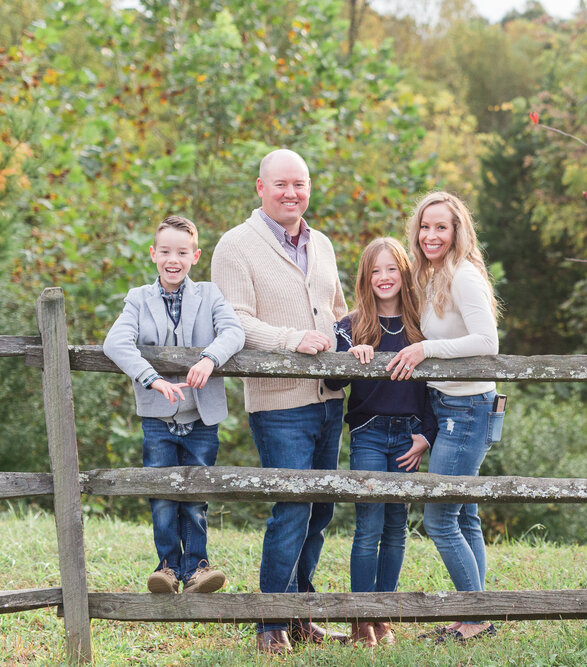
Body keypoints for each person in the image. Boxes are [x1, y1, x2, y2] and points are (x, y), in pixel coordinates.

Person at [211, 149, 350, 654]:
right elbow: (235, 321)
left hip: (327, 400)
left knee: (321, 508)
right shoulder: (235, 247)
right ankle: (270, 623)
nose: (292, 193)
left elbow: (336, 314)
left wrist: (356, 338)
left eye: (301, 184)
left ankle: (300, 615)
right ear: (260, 187)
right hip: (278, 403)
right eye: (281, 185)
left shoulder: (323, 244)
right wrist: (294, 339)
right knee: (291, 508)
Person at [103, 215, 245, 595]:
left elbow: (235, 331)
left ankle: (198, 567)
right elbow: (115, 344)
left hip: (201, 415)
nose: (173, 259)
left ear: (195, 256)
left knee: (196, 494)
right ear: (153, 254)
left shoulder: (211, 295)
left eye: (182, 252)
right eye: (165, 251)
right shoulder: (138, 298)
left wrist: (209, 359)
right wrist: (153, 378)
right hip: (157, 416)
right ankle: (166, 567)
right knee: (163, 494)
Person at [387, 191, 504, 643]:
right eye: (425, 226)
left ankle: (474, 617)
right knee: (464, 516)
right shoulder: (432, 274)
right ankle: (474, 613)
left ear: (458, 232)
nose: (431, 235)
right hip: (450, 407)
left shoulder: (464, 276)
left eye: (441, 227)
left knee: (439, 519)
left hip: (468, 410)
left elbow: (486, 342)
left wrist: (426, 349)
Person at [325, 237, 437, 647]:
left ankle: (385, 616)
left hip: (409, 436)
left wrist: (426, 434)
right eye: (376, 271)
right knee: (368, 526)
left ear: (404, 274)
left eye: (392, 269)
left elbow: (433, 390)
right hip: (369, 433)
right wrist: (348, 355)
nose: (384, 278)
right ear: (365, 278)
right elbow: (331, 381)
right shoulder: (350, 326)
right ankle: (360, 620)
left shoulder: (422, 324)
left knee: (396, 528)